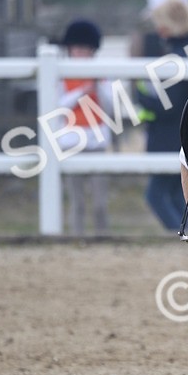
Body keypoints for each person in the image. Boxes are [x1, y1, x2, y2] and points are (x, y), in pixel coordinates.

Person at [134, 0, 188, 232]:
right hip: (184, 135)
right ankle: (185, 234)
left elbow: (167, 105)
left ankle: (179, 236)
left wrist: (139, 96)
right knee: (176, 194)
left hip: (170, 136)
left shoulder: (179, 55)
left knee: (157, 195)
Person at [57, 19, 112, 236]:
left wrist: (99, 86)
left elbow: (112, 107)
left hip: (97, 142)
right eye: (77, 48)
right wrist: (82, 92)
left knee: (100, 202)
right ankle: (75, 239)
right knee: (76, 201)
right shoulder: (60, 73)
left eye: (86, 49)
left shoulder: (102, 73)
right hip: (71, 143)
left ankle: (102, 238)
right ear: (70, 49)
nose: (81, 53)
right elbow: (56, 106)